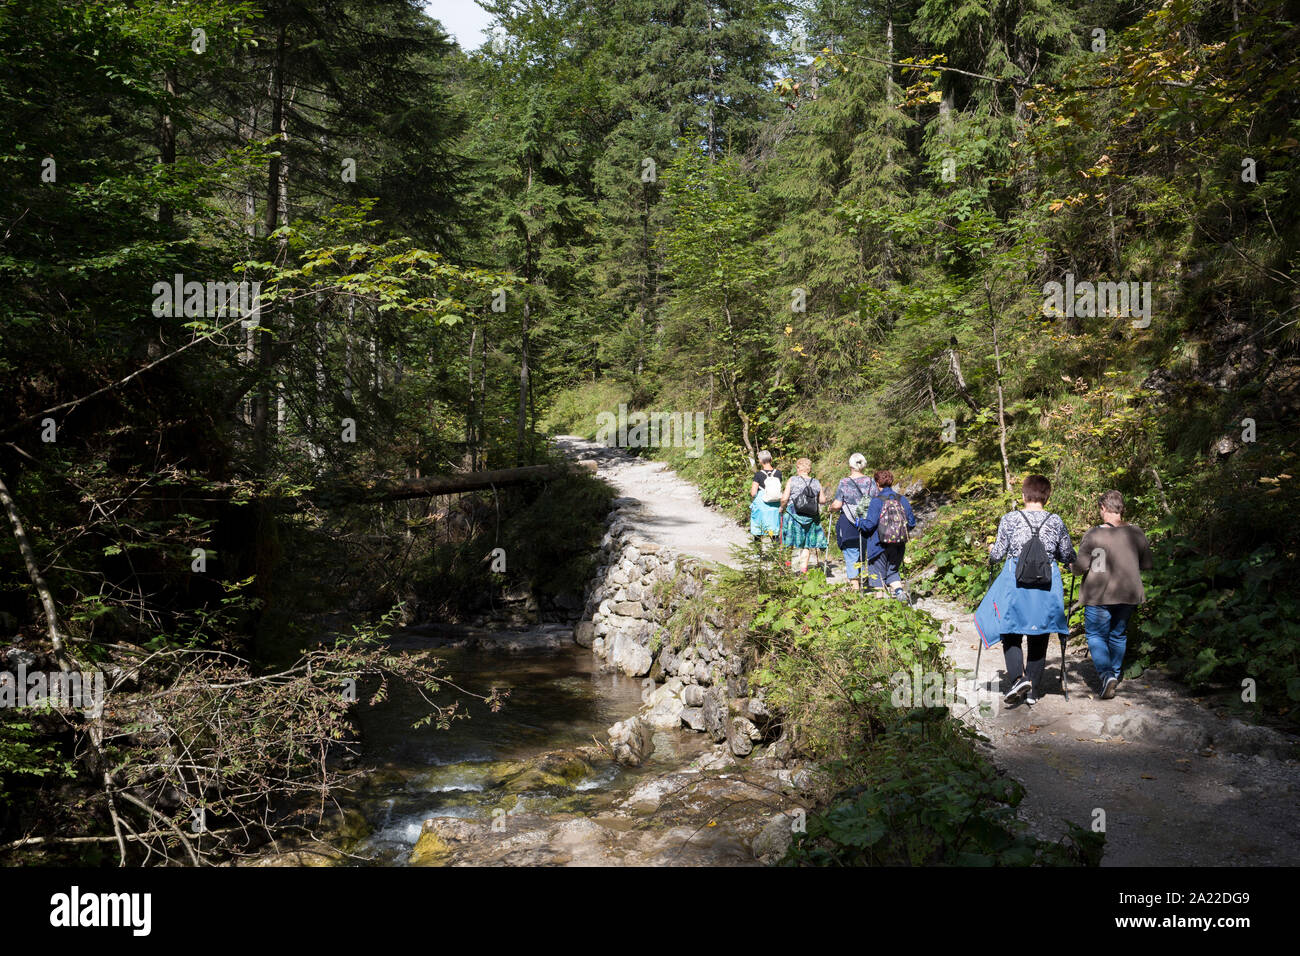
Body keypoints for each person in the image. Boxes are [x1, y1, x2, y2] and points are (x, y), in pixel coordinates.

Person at [988, 474, 1077, 706]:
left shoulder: (1009, 519)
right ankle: (1033, 691)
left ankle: (1018, 678)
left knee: (1010, 631)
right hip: (1045, 585)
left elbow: (997, 555)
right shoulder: (1055, 521)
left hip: (1015, 583)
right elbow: (1068, 555)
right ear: (1047, 497)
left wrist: (990, 550)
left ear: (1024, 495)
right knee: (1040, 634)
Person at [1073, 490, 1153, 699]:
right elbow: (1146, 564)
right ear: (1121, 508)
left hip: (1098, 594)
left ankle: (1106, 675)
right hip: (1128, 593)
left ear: (1103, 508)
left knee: (1095, 635)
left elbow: (1080, 567)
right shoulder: (1137, 533)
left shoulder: (1094, 534)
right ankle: (1114, 675)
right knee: (1118, 634)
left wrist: (1072, 567)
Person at [857, 469, 916, 602]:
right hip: (899, 544)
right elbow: (911, 523)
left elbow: (870, 525)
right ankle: (899, 592)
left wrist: (859, 522)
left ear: (877, 483)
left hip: (879, 545)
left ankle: (881, 607)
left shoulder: (876, 501)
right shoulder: (902, 500)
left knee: (877, 576)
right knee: (893, 571)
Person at [830, 454, 878, 591]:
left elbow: (838, 504)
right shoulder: (871, 481)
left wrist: (831, 508)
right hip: (866, 521)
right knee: (862, 551)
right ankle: (863, 580)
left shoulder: (844, 482)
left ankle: (855, 587)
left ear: (850, 465)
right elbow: (876, 501)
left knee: (851, 553)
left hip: (849, 522)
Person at [780, 458, 828, 573]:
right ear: (809, 469)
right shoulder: (816, 482)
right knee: (806, 545)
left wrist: (782, 507)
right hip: (810, 517)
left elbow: (785, 498)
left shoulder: (792, 480)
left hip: (793, 515)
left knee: (788, 543)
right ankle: (803, 572)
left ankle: (786, 569)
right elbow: (822, 500)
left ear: (798, 468)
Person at [748, 451, 782, 549]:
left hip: (761, 507)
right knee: (773, 530)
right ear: (771, 459)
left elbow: (753, 493)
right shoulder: (778, 473)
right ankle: (776, 555)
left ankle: (758, 555)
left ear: (760, 461)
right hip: (774, 506)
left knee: (758, 530)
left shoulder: (758, 475)